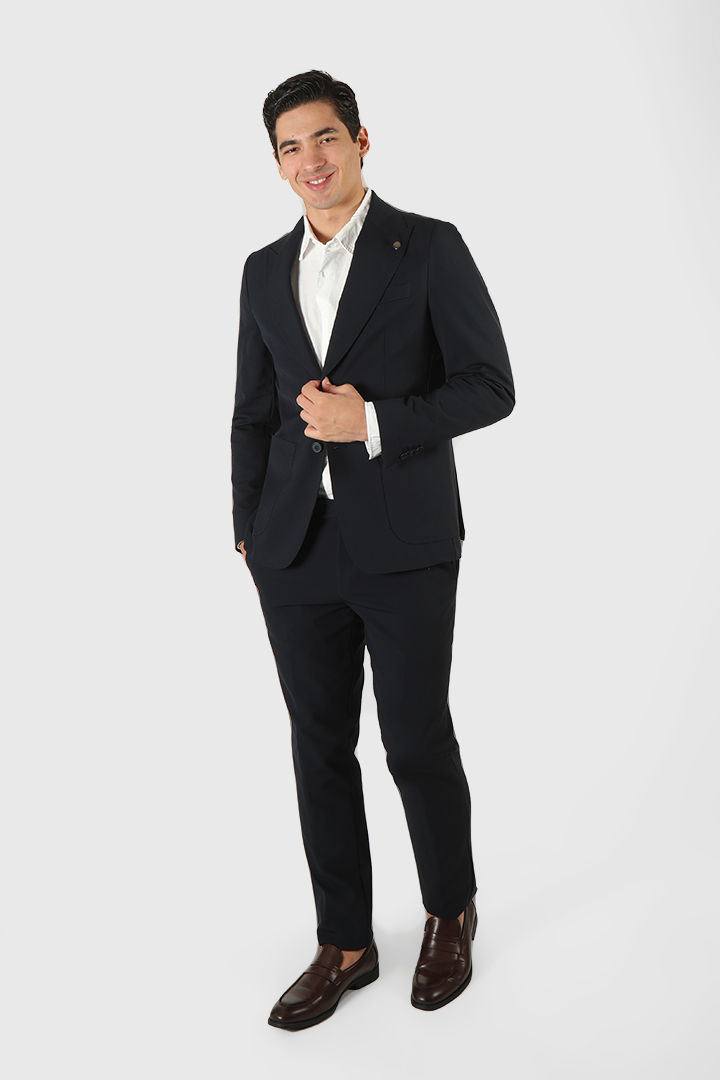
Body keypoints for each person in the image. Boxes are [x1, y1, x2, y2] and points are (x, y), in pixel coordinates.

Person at [231, 70, 514, 1030]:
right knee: (318, 746)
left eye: (324, 138)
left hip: (405, 543)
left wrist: (376, 422)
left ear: (360, 139)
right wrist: (248, 524)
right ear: (277, 164)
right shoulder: (262, 269)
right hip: (293, 548)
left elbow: (490, 384)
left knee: (414, 737)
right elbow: (252, 410)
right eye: (290, 147)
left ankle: (449, 911)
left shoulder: (428, 247)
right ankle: (345, 941)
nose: (309, 160)